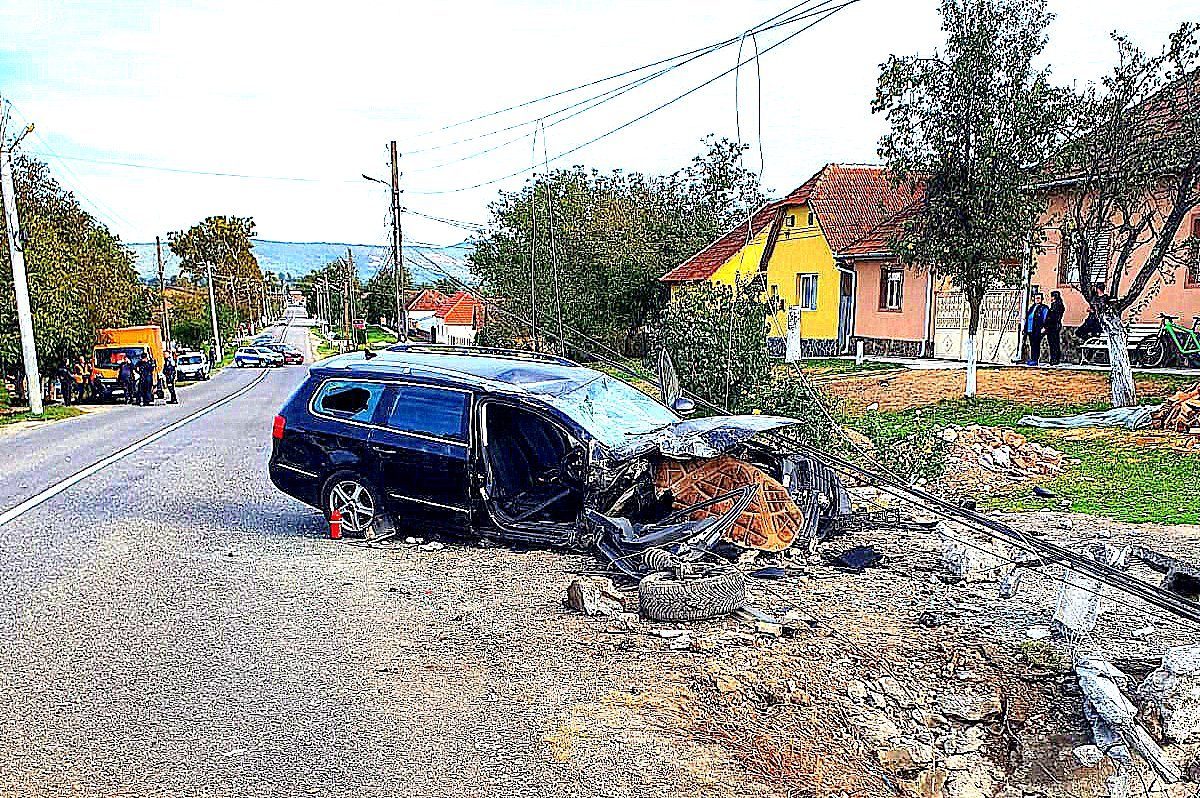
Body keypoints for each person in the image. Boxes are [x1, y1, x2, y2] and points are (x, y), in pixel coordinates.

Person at [1024, 293, 1049, 366]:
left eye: (1039, 298)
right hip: (1030, 329)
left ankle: (1035, 359)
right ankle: (1032, 358)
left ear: (1042, 299)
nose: (1037, 300)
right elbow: (1028, 317)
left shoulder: (1044, 308)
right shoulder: (1032, 307)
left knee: (1036, 344)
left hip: (1038, 329)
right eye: (1036, 298)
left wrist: (1044, 327)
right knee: (1032, 344)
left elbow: (1046, 318)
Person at [1045, 291, 1066, 366]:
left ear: (1053, 297)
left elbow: (1052, 317)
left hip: (1052, 327)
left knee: (1053, 343)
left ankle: (1054, 359)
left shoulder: (1055, 305)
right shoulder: (1060, 305)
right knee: (1055, 343)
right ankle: (1056, 359)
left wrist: (1046, 325)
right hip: (1056, 326)